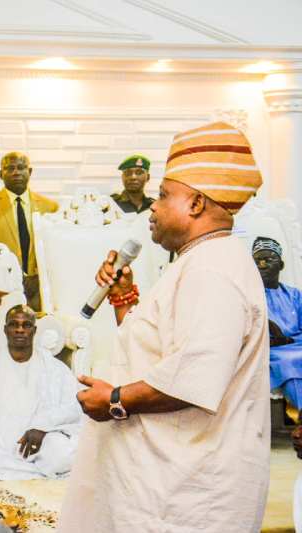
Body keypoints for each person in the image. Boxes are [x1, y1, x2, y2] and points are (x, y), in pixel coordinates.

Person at [58, 122, 270, 532]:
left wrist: (115, 399)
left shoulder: (213, 270)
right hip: (166, 483)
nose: (152, 208)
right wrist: (123, 297)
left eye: (163, 196)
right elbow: (160, 351)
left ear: (194, 204)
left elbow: (196, 376)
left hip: (187, 496)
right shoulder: (199, 259)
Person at [0, 305, 81, 480]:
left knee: (64, 456)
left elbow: (73, 407)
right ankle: (36, 475)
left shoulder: (54, 368)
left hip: (38, 444)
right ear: (5, 330)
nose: (20, 330)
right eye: (14, 324)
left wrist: (42, 427)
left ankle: (15, 473)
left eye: (26, 325)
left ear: (34, 330)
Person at [0, 152, 59, 309]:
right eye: (10, 168)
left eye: (21, 167)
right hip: (3, 290)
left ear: (30, 172)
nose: (16, 172)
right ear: (0, 174)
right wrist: (11, 276)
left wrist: (39, 276)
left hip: (41, 291)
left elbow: (56, 250)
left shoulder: (50, 207)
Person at [253, 236, 302, 411]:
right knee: (290, 361)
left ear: (281, 265)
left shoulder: (294, 294)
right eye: (258, 260)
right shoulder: (247, 294)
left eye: (268, 259)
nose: (263, 264)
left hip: (297, 344)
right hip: (272, 349)